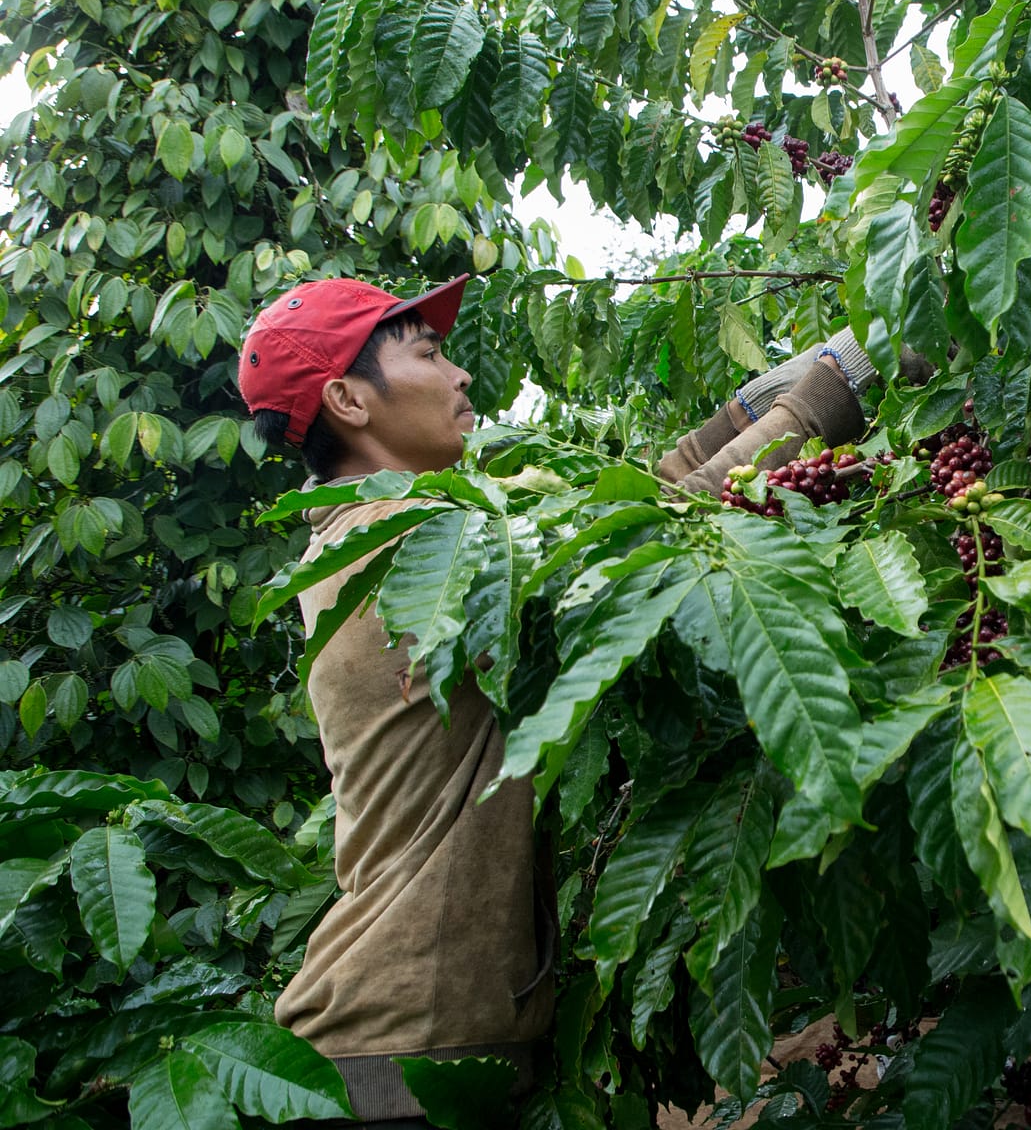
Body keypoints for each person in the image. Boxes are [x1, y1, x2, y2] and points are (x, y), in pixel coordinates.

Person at [238, 273, 876, 1124]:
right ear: (349, 400)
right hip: (398, 1068)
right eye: (428, 354)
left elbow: (632, 510)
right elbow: (654, 541)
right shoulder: (401, 541)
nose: (460, 375)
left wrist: (753, 407)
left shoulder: (415, 525)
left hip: (426, 1050)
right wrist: (830, 393)